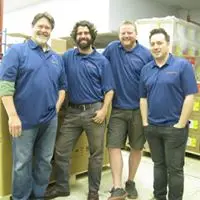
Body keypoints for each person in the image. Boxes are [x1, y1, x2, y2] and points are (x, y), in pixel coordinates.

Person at [0, 12, 67, 200]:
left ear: (51, 31)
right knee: (22, 163)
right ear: (33, 27)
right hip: (23, 121)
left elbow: (63, 87)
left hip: (49, 121)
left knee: (45, 162)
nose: (43, 30)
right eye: (40, 26)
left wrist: (57, 107)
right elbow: (5, 85)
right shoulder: (17, 52)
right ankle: (20, 197)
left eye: (47, 28)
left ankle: (38, 196)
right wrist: (12, 115)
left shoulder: (56, 58)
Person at [46, 20, 115, 200]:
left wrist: (103, 111)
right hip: (72, 112)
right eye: (79, 33)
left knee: (96, 155)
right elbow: (52, 66)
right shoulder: (68, 57)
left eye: (86, 33)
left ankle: (93, 192)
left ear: (91, 35)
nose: (83, 36)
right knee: (61, 150)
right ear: (75, 37)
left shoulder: (102, 61)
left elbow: (109, 90)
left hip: (95, 112)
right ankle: (62, 187)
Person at [139, 28, 198, 200]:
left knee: (175, 168)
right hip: (152, 127)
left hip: (174, 128)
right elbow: (143, 98)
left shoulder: (182, 66)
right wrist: (145, 123)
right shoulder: (146, 69)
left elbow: (189, 97)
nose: (156, 47)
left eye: (159, 43)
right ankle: (159, 196)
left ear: (168, 45)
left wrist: (180, 124)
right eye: (153, 44)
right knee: (158, 165)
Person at [103, 20, 153, 200]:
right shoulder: (111, 49)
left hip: (139, 111)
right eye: (123, 33)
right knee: (113, 146)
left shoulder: (146, 55)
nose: (126, 36)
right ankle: (117, 186)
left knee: (136, 148)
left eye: (129, 32)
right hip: (117, 109)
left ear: (136, 34)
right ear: (119, 35)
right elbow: (101, 66)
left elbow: (151, 82)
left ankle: (130, 182)